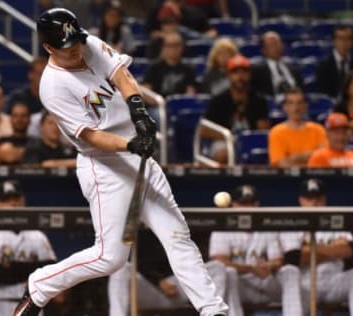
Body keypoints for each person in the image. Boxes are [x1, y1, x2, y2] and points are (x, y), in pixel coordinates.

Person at [13, 8, 228, 316]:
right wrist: (129, 144)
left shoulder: (88, 44)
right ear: (48, 48)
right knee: (110, 257)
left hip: (138, 158)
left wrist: (138, 110)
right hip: (104, 166)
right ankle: (40, 285)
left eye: (76, 42)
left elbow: (122, 76)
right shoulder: (52, 86)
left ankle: (213, 310)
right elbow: (89, 136)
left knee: (177, 235)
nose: (76, 50)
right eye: (67, 47)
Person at [209, 185, 305, 316]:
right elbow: (219, 261)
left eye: (251, 203)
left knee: (290, 271)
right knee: (229, 273)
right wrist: (251, 269)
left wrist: (270, 265)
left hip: (266, 282)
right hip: (241, 286)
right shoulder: (222, 227)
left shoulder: (266, 225)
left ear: (257, 204)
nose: (248, 207)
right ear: (234, 205)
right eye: (243, 204)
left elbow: (277, 260)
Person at [279, 178, 353, 316]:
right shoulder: (292, 223)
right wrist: (333, 249)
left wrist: (310, 249)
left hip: (333, 281)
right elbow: (295, 258)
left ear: (324, 199)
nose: (314, 202)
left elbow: (348, 250)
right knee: (289, 272)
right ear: (301, 200)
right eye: (309, 198)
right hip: (304, 285)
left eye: (318, 198)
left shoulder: (335, 221)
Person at [0, 180, 56, 315]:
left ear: (23, 200)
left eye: (16, 198)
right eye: (7, 200)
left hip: (32, 305)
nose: (13, 203)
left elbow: (50, 267)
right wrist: (34, 272)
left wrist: (12, 267)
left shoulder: (38, 235)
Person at [108, 232, 229, 315]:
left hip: (180, 285)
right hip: (150, 288)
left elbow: (195, 259)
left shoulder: (179, 224)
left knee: (218, 266)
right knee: (122, 268)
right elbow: (135, 261)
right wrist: (158, 281)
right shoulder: (139, 226)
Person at [203, 55, 269, 163]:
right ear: (228, 75)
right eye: (235, 72)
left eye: (244, 72)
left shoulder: (258, 100)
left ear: (249, 75)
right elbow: (205, 130)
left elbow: (263, 129)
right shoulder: (219, 100)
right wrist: (230, 137)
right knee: (223, 154)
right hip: (225, 140)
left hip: (251, 141)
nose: (240, 76)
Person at [268, 88, 327, 167]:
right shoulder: (276, 132)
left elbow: (324, 159)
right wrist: (311, 156)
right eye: (291, 103)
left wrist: (296, 157)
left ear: (306, 106)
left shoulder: (318, 130)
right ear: (285, 107)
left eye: (300, 103)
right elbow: (281, 164)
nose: (296, 108)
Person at [142, 31, 197, 97]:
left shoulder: (189, 69)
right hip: (158, 105)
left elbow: (190, 93)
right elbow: (146, 92)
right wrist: (161, 103)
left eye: (177, 45)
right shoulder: (154, 68)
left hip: (180, 105)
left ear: (182, 47)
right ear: (163, 47)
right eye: (170, 45)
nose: (174, 49)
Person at [315, 25, 353, 98]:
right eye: (340, 38)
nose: (343, 42)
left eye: (347, 39)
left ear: (352, 42)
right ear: (334, 41)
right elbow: (323, 94)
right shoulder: (323, 67)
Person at [251, 31, 303, 98]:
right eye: (272, 44)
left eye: (278, 43)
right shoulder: (256, 70)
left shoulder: (294, 69)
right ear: (263, 50)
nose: (276, 47)